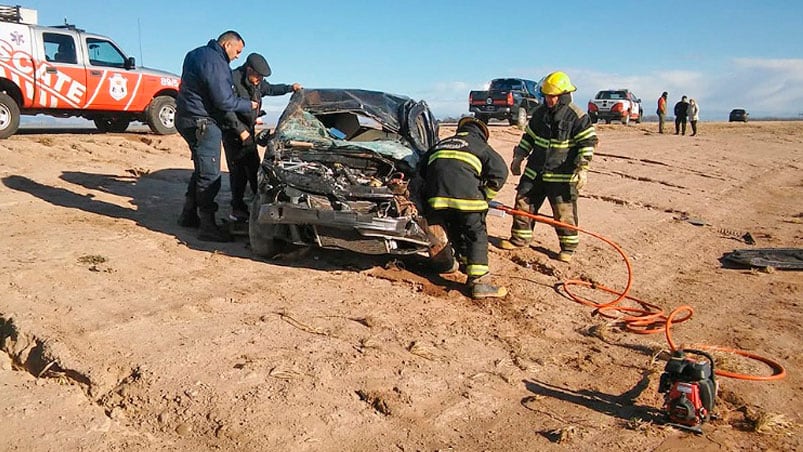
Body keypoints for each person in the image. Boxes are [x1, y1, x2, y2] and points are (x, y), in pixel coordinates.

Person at [499, 71, 597, 263]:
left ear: (563, 95)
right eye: (545, 96)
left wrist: (582, 168)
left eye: (551, 96)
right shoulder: (539, 114)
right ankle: (520, 239)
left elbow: (587, 143)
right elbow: (529, 137)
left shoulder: (577, 117)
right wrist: (519, 157)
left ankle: (568, 248)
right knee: (523, 203)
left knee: (563, 212)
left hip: (561, 174)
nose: (548, 100)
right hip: (535, 171)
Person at [175, 31, 258, 242]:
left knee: (201, 168)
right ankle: (208, 227)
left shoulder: (196, 53)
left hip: (186, 118)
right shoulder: (216, 62)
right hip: (202, 122)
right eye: (238, 51)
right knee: (210, 175)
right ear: (227, 44)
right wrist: (248, 105)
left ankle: (188, 214)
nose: (238, 56)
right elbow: (224, 101)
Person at [419, 116, 509, 299]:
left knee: (452, 228)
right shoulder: (479, 145)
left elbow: (421, 170)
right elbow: (500, 172)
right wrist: (485, 196)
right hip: (468, 200)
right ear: (482, 134)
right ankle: (479, 282)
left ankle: (450, 262)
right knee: (475, 233)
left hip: (436, 200)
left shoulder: (442, 143)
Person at [222, 53, 302, 222]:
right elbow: (226, 110)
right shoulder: (231, 79)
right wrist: (240, 131)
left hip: (248, 131)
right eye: (258, 76)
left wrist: (290, 88)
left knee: (253, 168)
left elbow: (271, 89)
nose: (259, 80)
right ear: (249, 69)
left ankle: (257, 203)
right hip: (233, 132)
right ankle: (237, 209)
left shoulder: (258, 82)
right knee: (237, 172)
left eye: (261, 78)